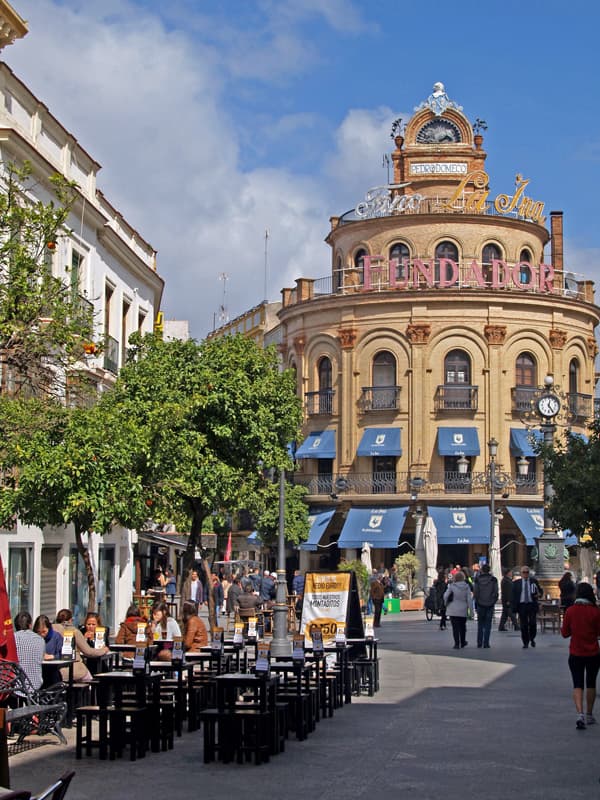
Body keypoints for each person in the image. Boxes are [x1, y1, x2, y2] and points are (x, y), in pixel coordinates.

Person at [561, 582, 600, 729]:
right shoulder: (595, 611)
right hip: (593, 652)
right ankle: (590, 714)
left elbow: (565, 633)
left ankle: (580, 714)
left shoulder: (571, 611)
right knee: (591, 683)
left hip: (576, 652)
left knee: (577, 684)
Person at [54, 609, 109, 681]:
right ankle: (90, 690)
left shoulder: (51, 630)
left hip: (54, 669)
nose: (91, 627)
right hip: (72, 668)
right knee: (89, 680)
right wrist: (103, 650)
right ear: (71, 620)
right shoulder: (76, 631)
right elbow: (88, 652)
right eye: (88, 624)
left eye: (93, 624)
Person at [511, 566, 542, 648]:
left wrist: (539, 594)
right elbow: (513, 595)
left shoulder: (533, 581)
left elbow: (540, 591)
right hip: (522, 605)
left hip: (531, 605)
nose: (525, 574)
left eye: (527, 572)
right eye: (524, 572)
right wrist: (513, 606)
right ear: (521, 574)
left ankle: (532, 638)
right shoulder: (516, 583)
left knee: (532, 623)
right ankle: (525, 642)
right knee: (523, 625)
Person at [14, 611, 45, 690]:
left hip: (15, 686)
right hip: (35, 684)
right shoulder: (40, 639)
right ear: (30, 625)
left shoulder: (12, 639)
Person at [443, 571, 474, 649]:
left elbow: (446, 596)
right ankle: (463, 642)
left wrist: (445, 603)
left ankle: (456, 643)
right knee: (462, 626)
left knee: (455, 627)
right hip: (463, 609)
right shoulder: (466, 587)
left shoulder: (452, 586)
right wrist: (471, 612)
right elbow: (469, 600)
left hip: (453, 609)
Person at [33, 614, 64, 686]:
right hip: (37, 671)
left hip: (52, 671)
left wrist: (52, 657)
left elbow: (63, 654)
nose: (41, 635)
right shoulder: (33, 638)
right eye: (38, 632)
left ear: (49, 629)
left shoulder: (56, 637)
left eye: (44, 632)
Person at [473, 564, 498, 648]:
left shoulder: (477, 579)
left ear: (482, 570)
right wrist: (493, 601)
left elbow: (476, 592)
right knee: (488, 624)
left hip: (480, 603)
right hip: (490, 604)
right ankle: (486, 642)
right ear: (489, 570)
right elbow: (496, 592)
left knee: (480, 624)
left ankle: (479, 642)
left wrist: (477, 601)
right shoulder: (493, 580)